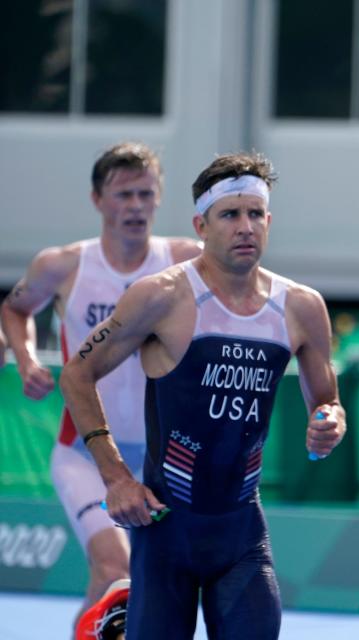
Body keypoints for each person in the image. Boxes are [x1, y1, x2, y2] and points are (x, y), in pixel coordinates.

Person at [59, 151, 347, 639]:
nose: (245, 227)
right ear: (201, 224)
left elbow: (327, 401)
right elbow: (76, 374)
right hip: (166, 531)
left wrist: (328, 423)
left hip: (241, 536)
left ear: (269, 221)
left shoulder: (301, 306)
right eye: (229, 215)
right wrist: (116, 478)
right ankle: (116, 611)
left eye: (255, 214)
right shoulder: (161, 296)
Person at [0, 142, 200, 632]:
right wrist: (25, 359)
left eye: (145, 194)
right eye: (123, 195)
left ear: (159, 198)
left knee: (119, 584)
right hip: (84, 456)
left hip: (163, 458)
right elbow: (15, 307)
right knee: (116, 567)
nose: (135, 206)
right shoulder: (62, 265)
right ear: (97, 200)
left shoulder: (186, 261)